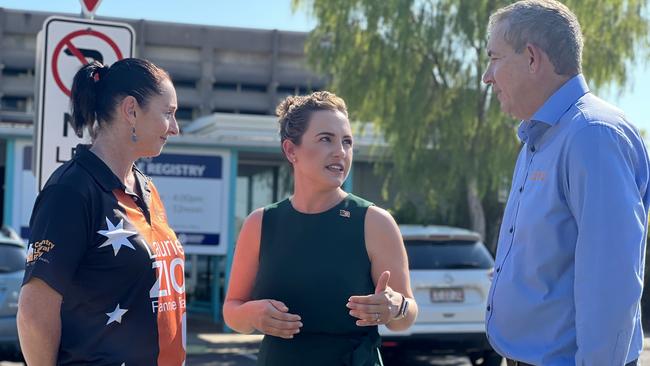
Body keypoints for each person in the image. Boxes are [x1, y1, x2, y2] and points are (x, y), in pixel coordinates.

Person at [482, 1, 649, 365]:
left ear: (531, 58)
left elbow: (612, 284)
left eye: (494, 58)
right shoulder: (539, 139)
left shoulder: (593, 135)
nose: (486, 76)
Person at [223, 91, 418, 365]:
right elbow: (232, 310)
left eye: (347, 142)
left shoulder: (375, 222)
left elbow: (407, 315)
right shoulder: (260, 223)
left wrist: (396, 307)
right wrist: (253, 315)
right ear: (291, 150)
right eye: (326, 139)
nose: (341, 151)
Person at [17, 58, 186, 365]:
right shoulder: (71, 191)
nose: (175, 128)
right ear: (131, 110)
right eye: (168, 113)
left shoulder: (146, 189)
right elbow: (33, 313)